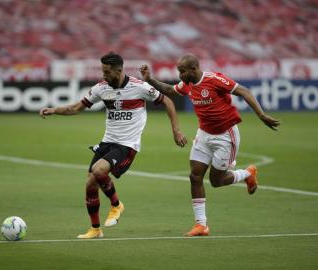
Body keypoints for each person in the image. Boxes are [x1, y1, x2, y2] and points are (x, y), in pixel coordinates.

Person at [40, 52, 187, 239]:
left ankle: (117, 205)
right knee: (90, 183)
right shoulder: (101, 88)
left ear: (119, 70)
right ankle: (95, 229)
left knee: (98, 170)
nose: (104, 76)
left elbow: (168, 101)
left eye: (107, 72)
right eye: (103, 72)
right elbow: (76, 108)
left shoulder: (139, 87)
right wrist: (54, 110)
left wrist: (176, 131)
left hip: (127, 144)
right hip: (107, 142)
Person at [140, 54, 280, 237]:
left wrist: (262, 115)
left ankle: (247, 174)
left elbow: (244, 91)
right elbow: (171, 90)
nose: (180, 75)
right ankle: (201, 225)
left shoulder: (214, 80)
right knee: (195, 176)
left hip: (225, 137)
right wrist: (150, 79)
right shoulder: (188, 84)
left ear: (193, 69)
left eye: (182, 71)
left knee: (216, 181)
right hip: (204, 135)